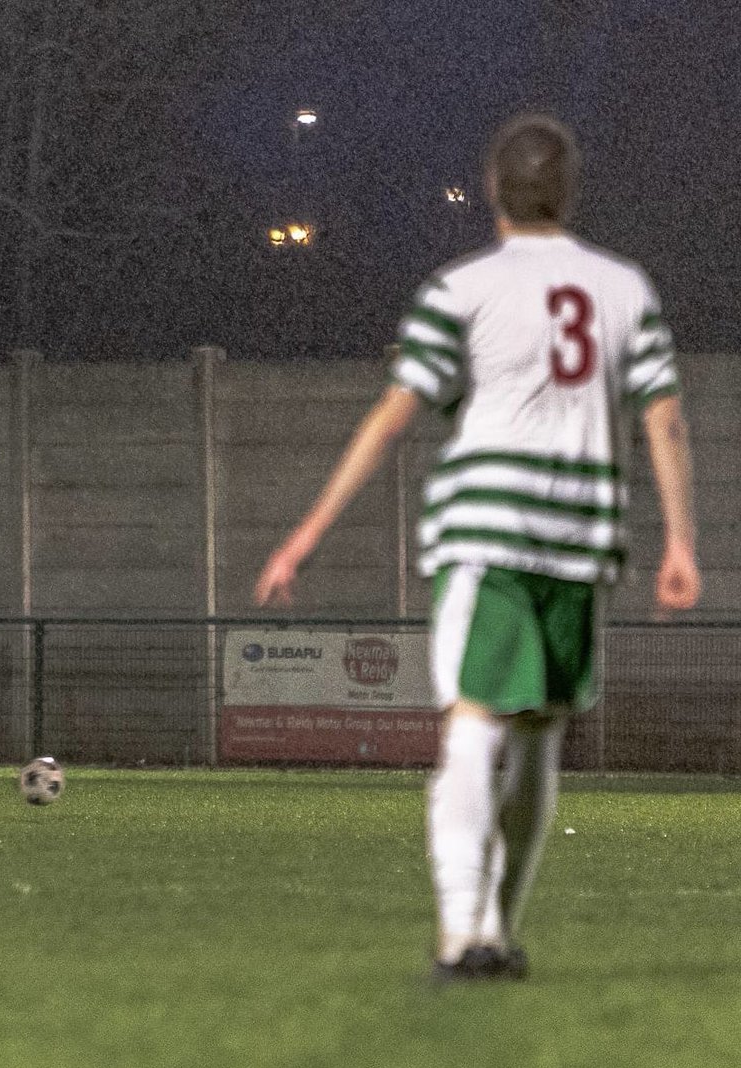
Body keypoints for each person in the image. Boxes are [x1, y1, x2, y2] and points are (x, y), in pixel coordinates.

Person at [254, 113, 701, 981]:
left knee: (471, 725)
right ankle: (498, 927)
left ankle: (465, 932)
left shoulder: (461, 289)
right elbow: (666, 418)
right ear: (569, 192)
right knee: (534, 739)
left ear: (494, 190)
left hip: (488, 534)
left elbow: (394, 416)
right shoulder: (624, 288)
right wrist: (681, 541)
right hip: (581, 541)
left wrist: (305, 534)